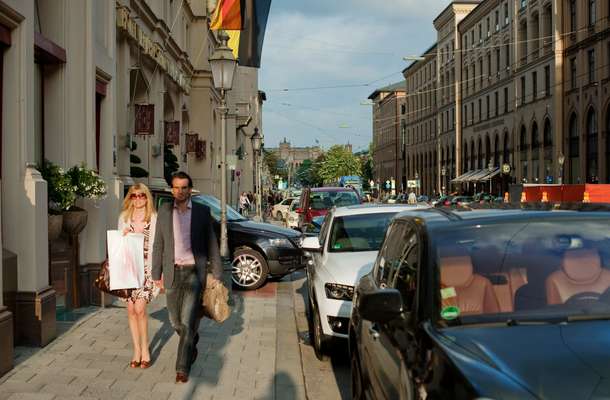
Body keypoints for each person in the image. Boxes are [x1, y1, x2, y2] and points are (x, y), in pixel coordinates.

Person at [152, 171, 223, 384]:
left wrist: (217, 273)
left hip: (194, 272)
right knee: (175, 321)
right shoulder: (164, 211)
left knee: (187, 319)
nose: (180, 191)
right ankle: (191, 339)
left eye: (184, 187)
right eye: (176, 187)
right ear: (171, 189)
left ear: (190, 189)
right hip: (172, 272)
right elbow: (158, 244)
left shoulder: (202, 211)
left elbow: (212, 243)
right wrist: (156, 274)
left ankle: (181, 368)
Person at [118, 183, 159, 369]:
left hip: (147, 270)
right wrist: (123, 235)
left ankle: (145, 349)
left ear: (147, 197)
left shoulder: (154, 218)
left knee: (140, 309)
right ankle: (136, 350)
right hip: (128, 270)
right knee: (131, 310)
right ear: (130, 198)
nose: (138, 199)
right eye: (134, 196)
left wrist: (161, 273)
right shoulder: (124, 218)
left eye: (141, 195)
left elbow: (160, 247)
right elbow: (117, 244)